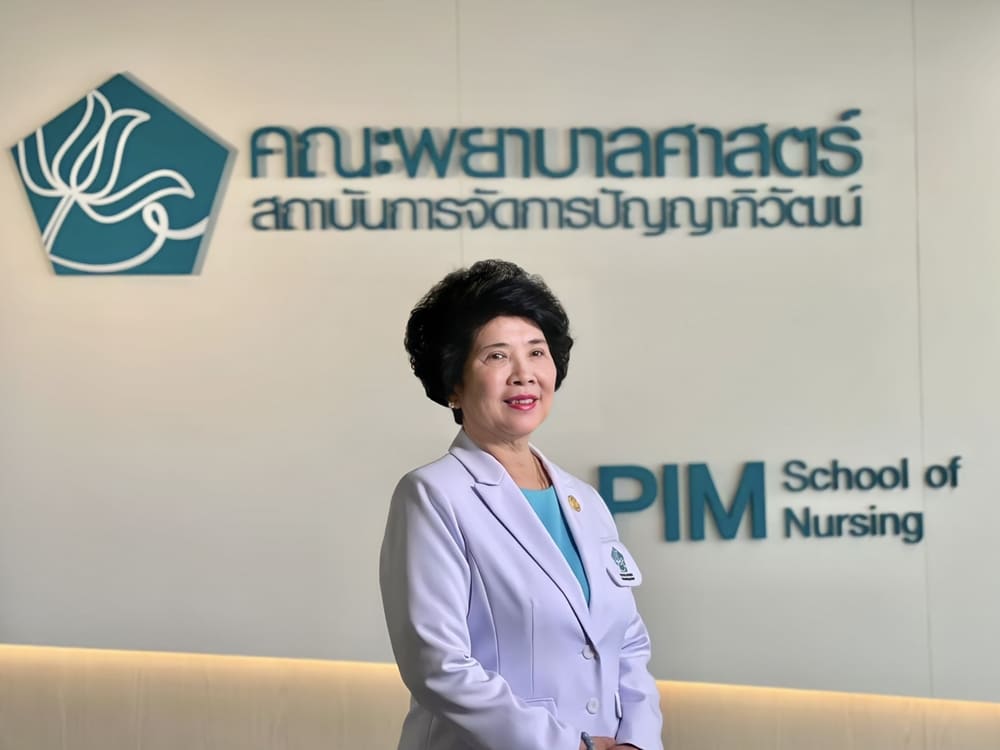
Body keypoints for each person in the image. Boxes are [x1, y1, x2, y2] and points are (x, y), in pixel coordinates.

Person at [379, 259, 663, 750]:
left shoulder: (584, 500)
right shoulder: (432, 495)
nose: (524, 374)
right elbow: (438, 666)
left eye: (536, 352)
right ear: (453, 385)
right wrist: (572, 746)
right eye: (496, 356)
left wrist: (637, 741)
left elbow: (627, 643)